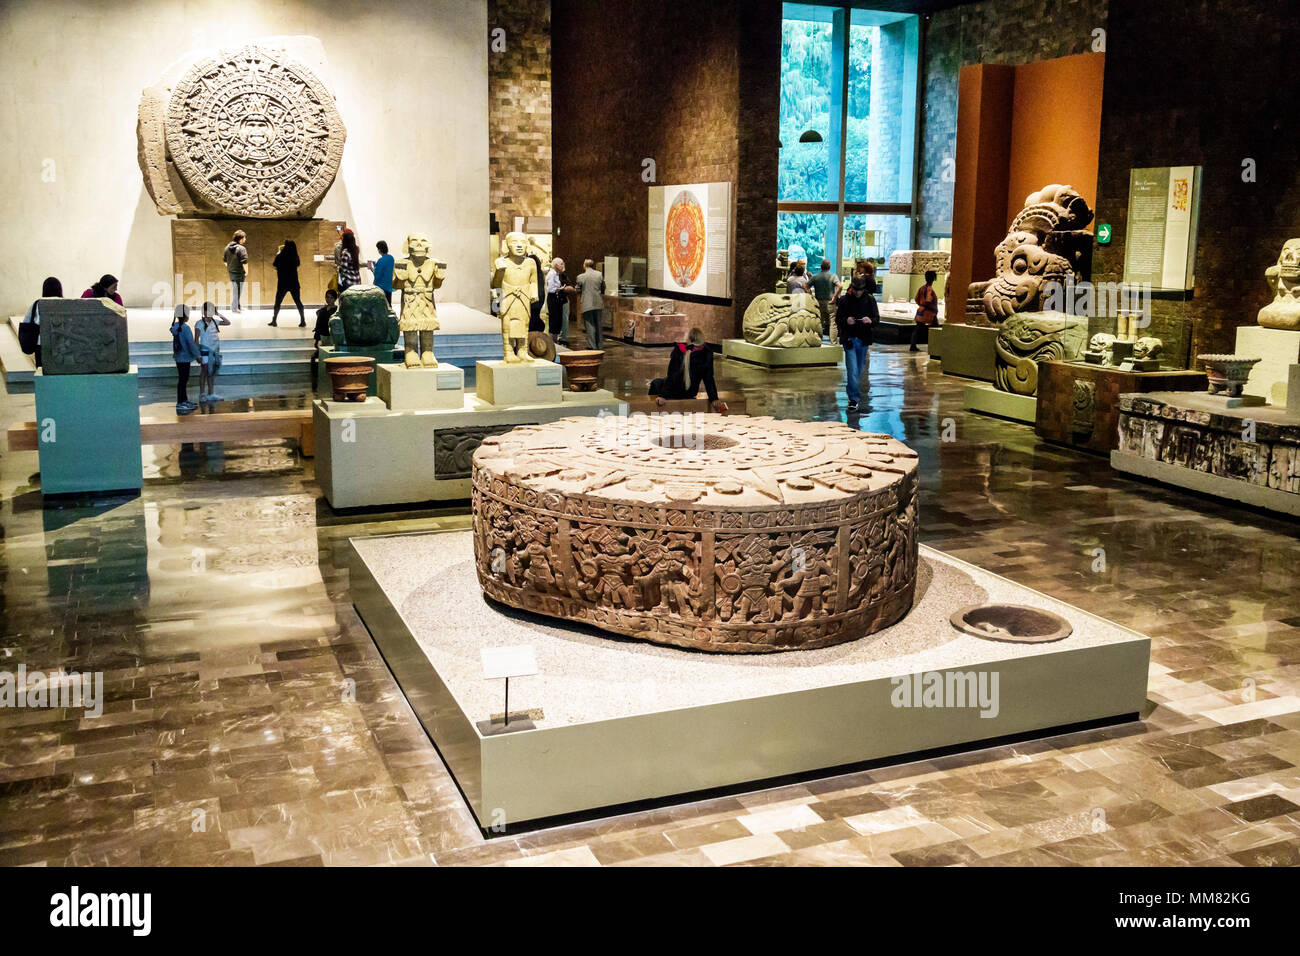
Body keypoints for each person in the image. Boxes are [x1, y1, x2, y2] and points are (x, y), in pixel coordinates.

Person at [648, 327, 728, 412]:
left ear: (689, 339)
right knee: (661, 381)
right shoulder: (707, 353)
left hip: (674, 391)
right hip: (691, 392)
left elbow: (672, 375)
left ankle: (650, 410)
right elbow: (708, 378)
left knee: (655, 383)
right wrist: (714, 398)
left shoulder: (679, 350)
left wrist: (663, 396)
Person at [836, 260, 878, 413]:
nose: (858, 292)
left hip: (863, 339)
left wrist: (870, 320)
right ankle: (853, 399)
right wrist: (846, 321)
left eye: (860, 290)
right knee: (853, 370)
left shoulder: (870, 300)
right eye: (856, 290)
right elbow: (838, 319)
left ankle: (854, 395)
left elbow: (876, 319)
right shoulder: (845, 300)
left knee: (859, 370)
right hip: (850, 340)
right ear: (852, 288)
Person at [20, 277, 61, 369]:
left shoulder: (37, 304)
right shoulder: (64, 304)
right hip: (60, 344)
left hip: (41, 343)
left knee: (41, 370)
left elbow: (27, 321)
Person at [196, 301, 231, 404]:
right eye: (209, 310)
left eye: (212, 310)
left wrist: (218, 314)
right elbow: (196, 340)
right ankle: (202, 394)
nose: (211, 313)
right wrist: (198, 355)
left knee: (211, 373)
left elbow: (228, 322)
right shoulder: (199, 323)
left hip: (215, 351)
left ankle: (211, 393)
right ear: (204, 311)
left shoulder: (215, 321)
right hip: (205, 351)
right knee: (204, 372)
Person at [169, 305, 202, 413]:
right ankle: (181, 402)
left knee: (183, 379)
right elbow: (190, 344)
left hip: (179, 357)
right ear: (186, 315)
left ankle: (184, 400)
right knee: (183, 380)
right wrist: (197, 356)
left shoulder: (176, 326)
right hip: (185, 358)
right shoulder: (185, 328)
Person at [269, 240, 304, 328]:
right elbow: (298, 265)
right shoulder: (295, 256)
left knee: (278, 302)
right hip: (294, 282)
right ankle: (303, 320)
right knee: (298, 302)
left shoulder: (280, 256)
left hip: (282, 283)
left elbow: (274, 265)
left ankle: (274, 320)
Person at [575, 259, 606, 349]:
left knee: (590, 325)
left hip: (587, 303)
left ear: (585, 265)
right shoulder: (599, 274)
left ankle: (592, 345)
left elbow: (578, 290)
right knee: (598, 325)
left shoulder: (580, 277)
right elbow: (603, 287)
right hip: (598, 302)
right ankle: (599, 345)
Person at [809, 258, 840, 340]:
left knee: (819, 321)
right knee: (832, 323)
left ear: (821, 267)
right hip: (830, 302)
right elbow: (840, 286)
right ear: (829, 267)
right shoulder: (833, 276)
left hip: (818, 302)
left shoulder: (815, 276)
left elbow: (805, 286)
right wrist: (835, 297)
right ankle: (833, 342)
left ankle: (818, 340)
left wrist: (811, 296)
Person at [546, 258, 574, 344]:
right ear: (556, 265)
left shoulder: (559, 274)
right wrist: (560, 289)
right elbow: (551, 289)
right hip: (554, 299)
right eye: (561, 264)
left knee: (558, 321)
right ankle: (553, 343)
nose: (563, 266)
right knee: (554, 321)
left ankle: (557, 340)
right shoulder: (552, 274)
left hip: (559, 300)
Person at [912, 269, 940, 352]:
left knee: (917, 329)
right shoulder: (929, 290)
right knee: (936, 329)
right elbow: (928, 301)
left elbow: (916, 299)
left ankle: (913, 345)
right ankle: (935, 347)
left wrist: (921, 306)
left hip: (920, 311)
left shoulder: (922, 288)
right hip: (928, 313)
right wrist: (933, 308)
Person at [223, 231, 248, 312]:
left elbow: (225, 261)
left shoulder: (227, 248)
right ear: (240, 239)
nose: (245, 239)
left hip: (231, 272)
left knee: (236, 289)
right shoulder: (241, 248)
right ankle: (234, 308)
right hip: (240, 273)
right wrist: (246, 271)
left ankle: (238, 306)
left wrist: (230, 267)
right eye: (244, 238)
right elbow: (244, 262)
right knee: (238, 290)